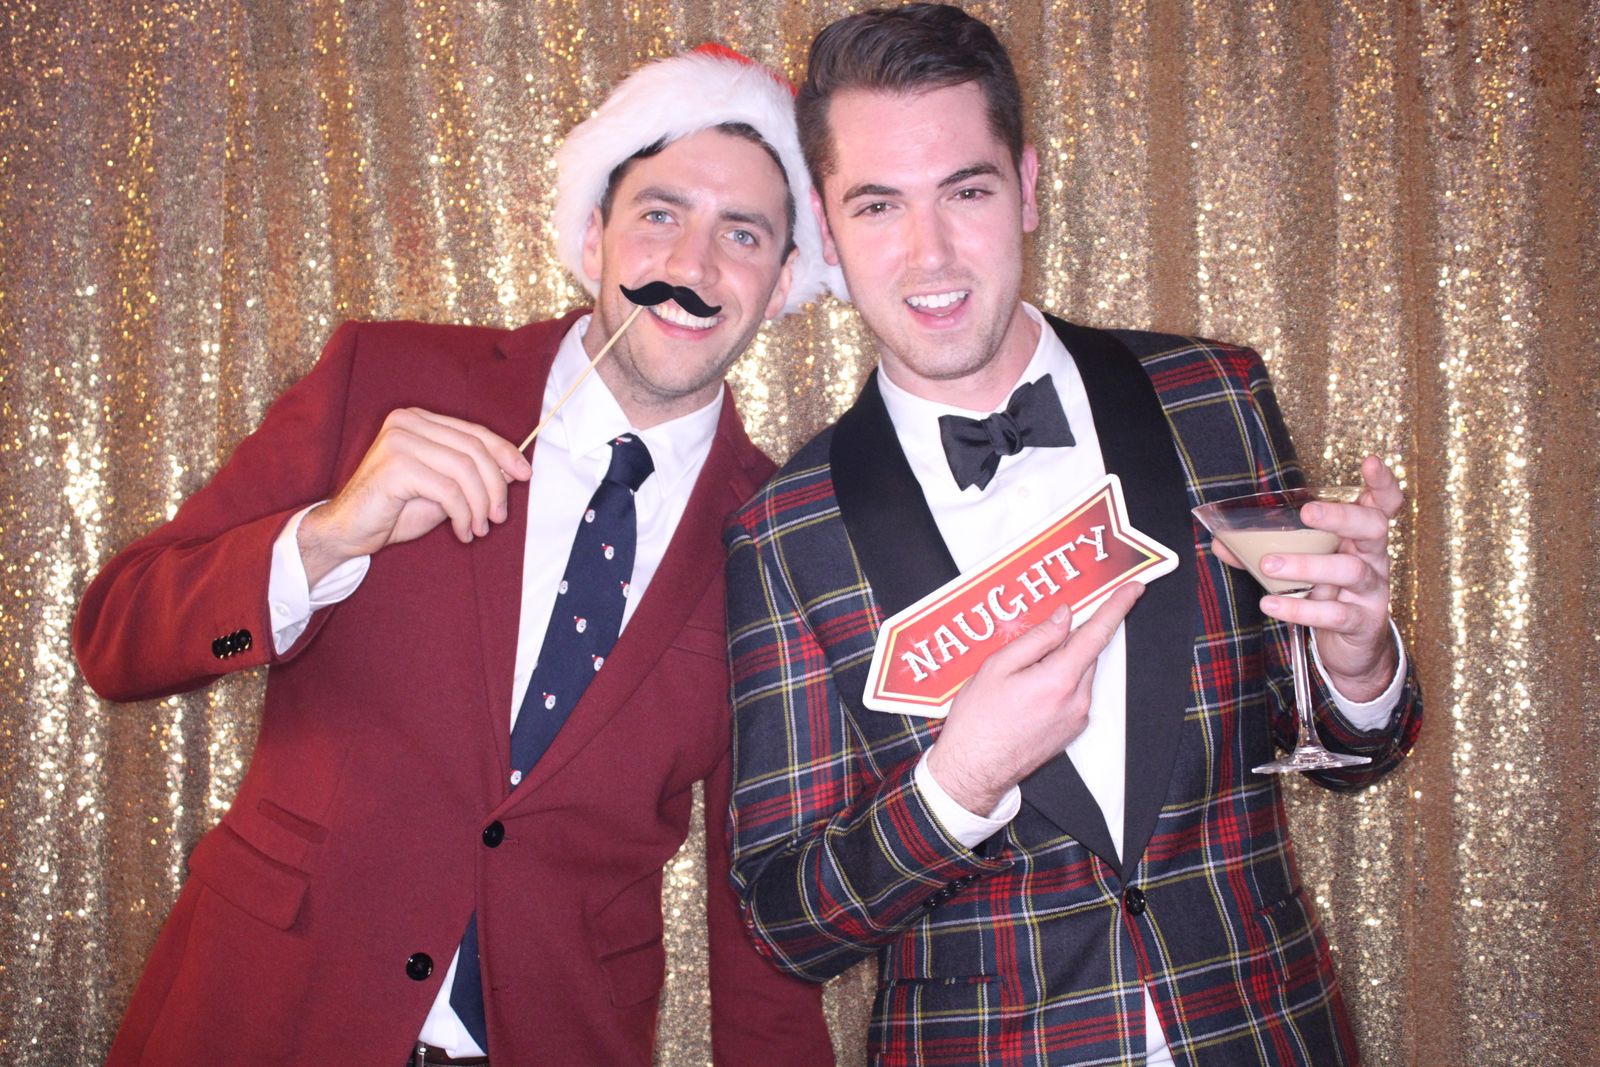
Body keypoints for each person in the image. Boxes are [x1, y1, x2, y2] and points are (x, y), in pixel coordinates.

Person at [73, 46, 837, 1067]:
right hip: (263, 1013)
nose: (692, 267)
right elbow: (117, 641)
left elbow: (756, 907)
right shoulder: (387, 376)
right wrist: (327, 536)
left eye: (741, 234)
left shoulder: (781, 532)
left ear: (782, 281)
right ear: (593, 235)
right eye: (660, 213)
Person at [724, 6, 1422, 1065]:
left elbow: (1339, 753)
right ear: (825, 229)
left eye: (966, 191)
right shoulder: (785, 530)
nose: (928, 252)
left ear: (1029, 187)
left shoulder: (1214, 396)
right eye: (878, 205)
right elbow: (788, 923)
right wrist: (955, 786)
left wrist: (1356, 663)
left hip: (1263, 1030)